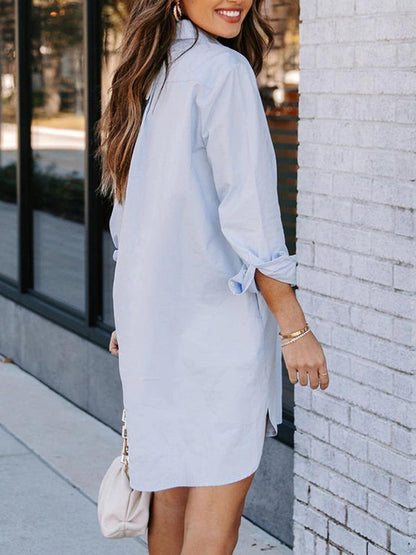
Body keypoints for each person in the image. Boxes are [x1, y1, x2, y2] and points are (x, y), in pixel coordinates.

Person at [96, 0, 329, 553]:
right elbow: (252, 217)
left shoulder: (147, 71)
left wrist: (132, 315)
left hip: (155, 330)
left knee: (170, 503)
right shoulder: (223, 71)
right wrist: (294, 327)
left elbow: (128, 221)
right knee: (214, 516)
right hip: (217, 333)